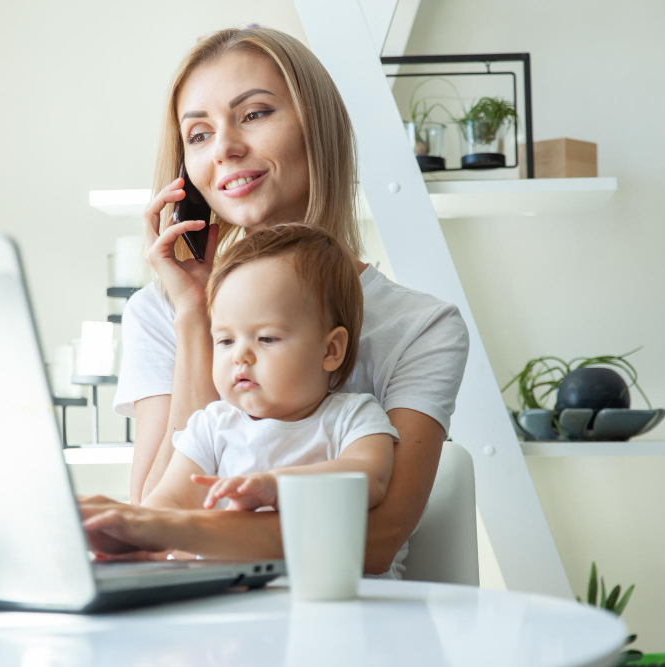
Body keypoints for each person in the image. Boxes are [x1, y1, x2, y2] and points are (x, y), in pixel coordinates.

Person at [80, 25, 469, 579]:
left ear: (318, 126)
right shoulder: (161, 310)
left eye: (255, 114)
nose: (225, 148)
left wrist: (177, 529)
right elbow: (148, 521)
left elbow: (378, 540)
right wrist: (194, 317)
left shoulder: (420, 326)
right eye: (198, 134)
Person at [142, 223, 397, 516]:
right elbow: (169, 500)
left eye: (266, 338)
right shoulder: (212, 427)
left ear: (330, 350)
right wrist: (134, 527)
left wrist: (277, 486)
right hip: (226, 561)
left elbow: (368, 478)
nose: (240, 355)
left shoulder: (353, 417)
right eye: (225, 340)